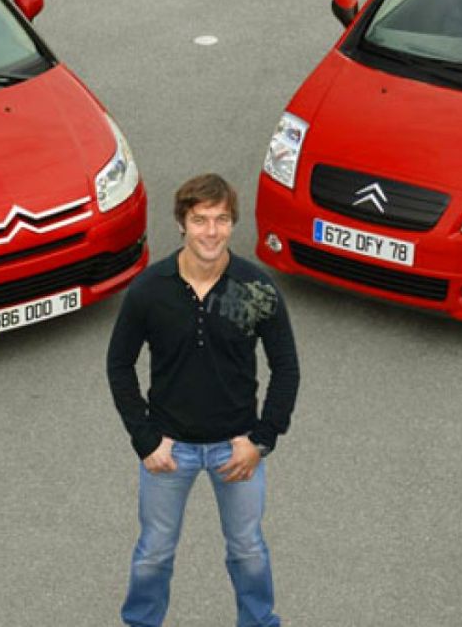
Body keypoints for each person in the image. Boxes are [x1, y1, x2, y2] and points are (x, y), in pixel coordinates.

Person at [106, 173, 300, 627]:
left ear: (232, 224)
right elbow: (119, 365)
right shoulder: (149, 290)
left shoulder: (256, 290)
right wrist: (145, 439)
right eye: (200, 220)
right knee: (154, 552)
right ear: (181, 224)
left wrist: (262, 439)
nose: (211, 231)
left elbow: (286, 367)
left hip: (237, 449)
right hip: (169, 452)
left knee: (248, 549)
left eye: (221, 220)